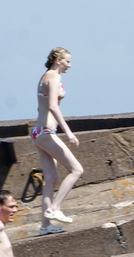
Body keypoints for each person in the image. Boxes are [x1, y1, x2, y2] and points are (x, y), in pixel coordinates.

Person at [32, 47, 84, 236]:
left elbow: (43, 107)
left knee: (51, 179)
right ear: (57, 61)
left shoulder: (44, 76)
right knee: (77, 170)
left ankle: (45, 226)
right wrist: (68, 132)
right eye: (67, 61)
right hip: (46, 132)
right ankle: (55, 208)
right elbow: (53, 106)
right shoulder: (54, 77)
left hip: (39, 132)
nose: (69, 65)